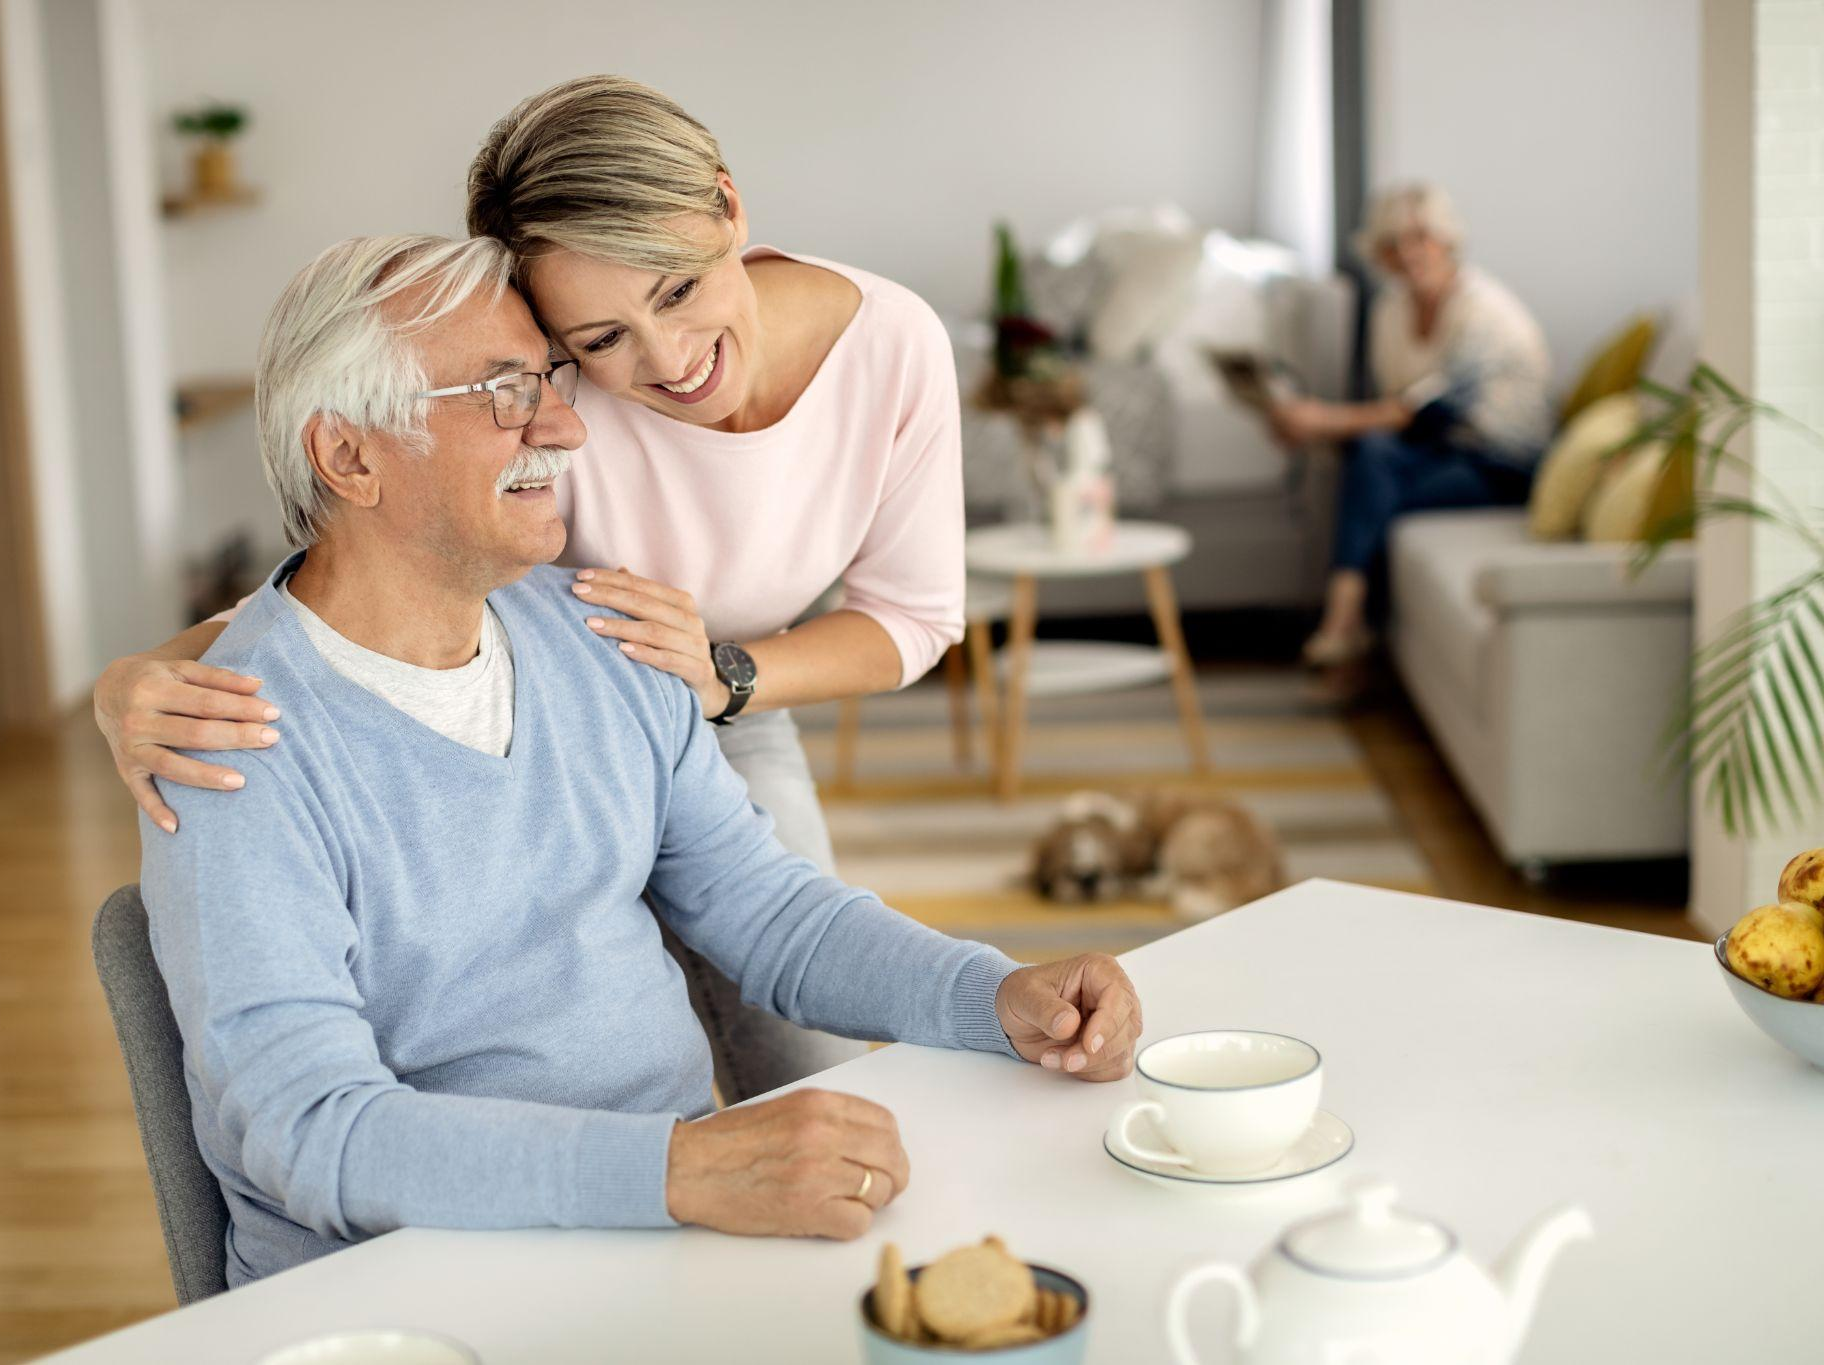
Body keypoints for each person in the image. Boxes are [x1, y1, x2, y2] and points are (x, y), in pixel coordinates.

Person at [148, 232, 1141, 1288]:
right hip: (409, 1291)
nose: (565, 425)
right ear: (348, 456)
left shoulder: (604, 633)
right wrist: (675, 1169)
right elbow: (311, 1133)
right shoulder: (226, 742)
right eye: (503, 390)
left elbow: (772, 918)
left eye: (549, 381)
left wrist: (993, 997)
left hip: (666, 1238)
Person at [94, 76, 967, 1099]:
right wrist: (140, 680)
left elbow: (911, 617)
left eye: (677, 290)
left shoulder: (893, 341)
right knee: (566, 1048)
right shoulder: (557, 397)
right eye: (594, 342)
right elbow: (388, 561)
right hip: (546, 707)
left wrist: (723, 677)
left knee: (805, 1060)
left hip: (719, 703)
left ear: (727, 207)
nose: (666, 359)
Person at [1266, 182, 1551, 667]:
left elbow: (1425, 408)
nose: (1410, 253)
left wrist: (1321, 421)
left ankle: (1345, 625)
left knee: (1373, 490)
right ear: (1380, 254)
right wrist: (1314, 426)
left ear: (1447, 240)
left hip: (1502, 464)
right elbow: (1393, 412)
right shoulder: (1390, 310)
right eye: (1394, 243)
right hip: (1440, 449)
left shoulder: (1484, 311)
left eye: (1421, 237)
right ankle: (1348, 627)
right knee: (1371, 457)